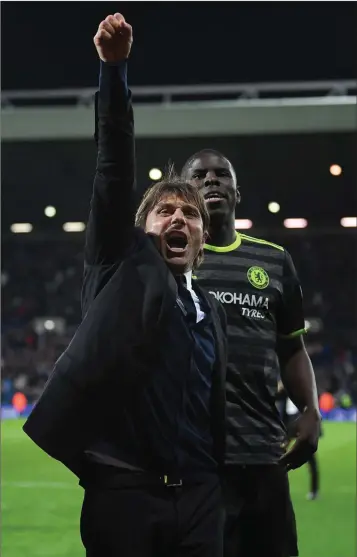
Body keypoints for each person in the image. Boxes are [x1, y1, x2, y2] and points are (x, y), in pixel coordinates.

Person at [23, 15, 228, 557]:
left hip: (201, 497)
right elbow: (113, 169)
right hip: (125, 496)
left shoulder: (210, 309)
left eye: (190, 213)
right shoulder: (121, 263)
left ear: (204, 237)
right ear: (142, 228)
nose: (179, 218)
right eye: (165, 211)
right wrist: (114, 72)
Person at [181, 149, 321, 557]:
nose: (211, 181)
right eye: (200, 175)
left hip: (264, 458)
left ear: (236, 192)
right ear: (184, 192)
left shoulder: (274, 262)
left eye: (222, 174)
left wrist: (310, 409)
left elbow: (292, 348)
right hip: (198, 464)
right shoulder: (169, 264)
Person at [277, 381, 320, 500]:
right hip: (289, 428)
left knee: (310, 457)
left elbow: (313, 409)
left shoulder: (305, 393)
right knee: (279, 456)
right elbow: (275, 397)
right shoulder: (286, 392)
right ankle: (276, 488)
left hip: (302, 427)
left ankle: (314, 490)